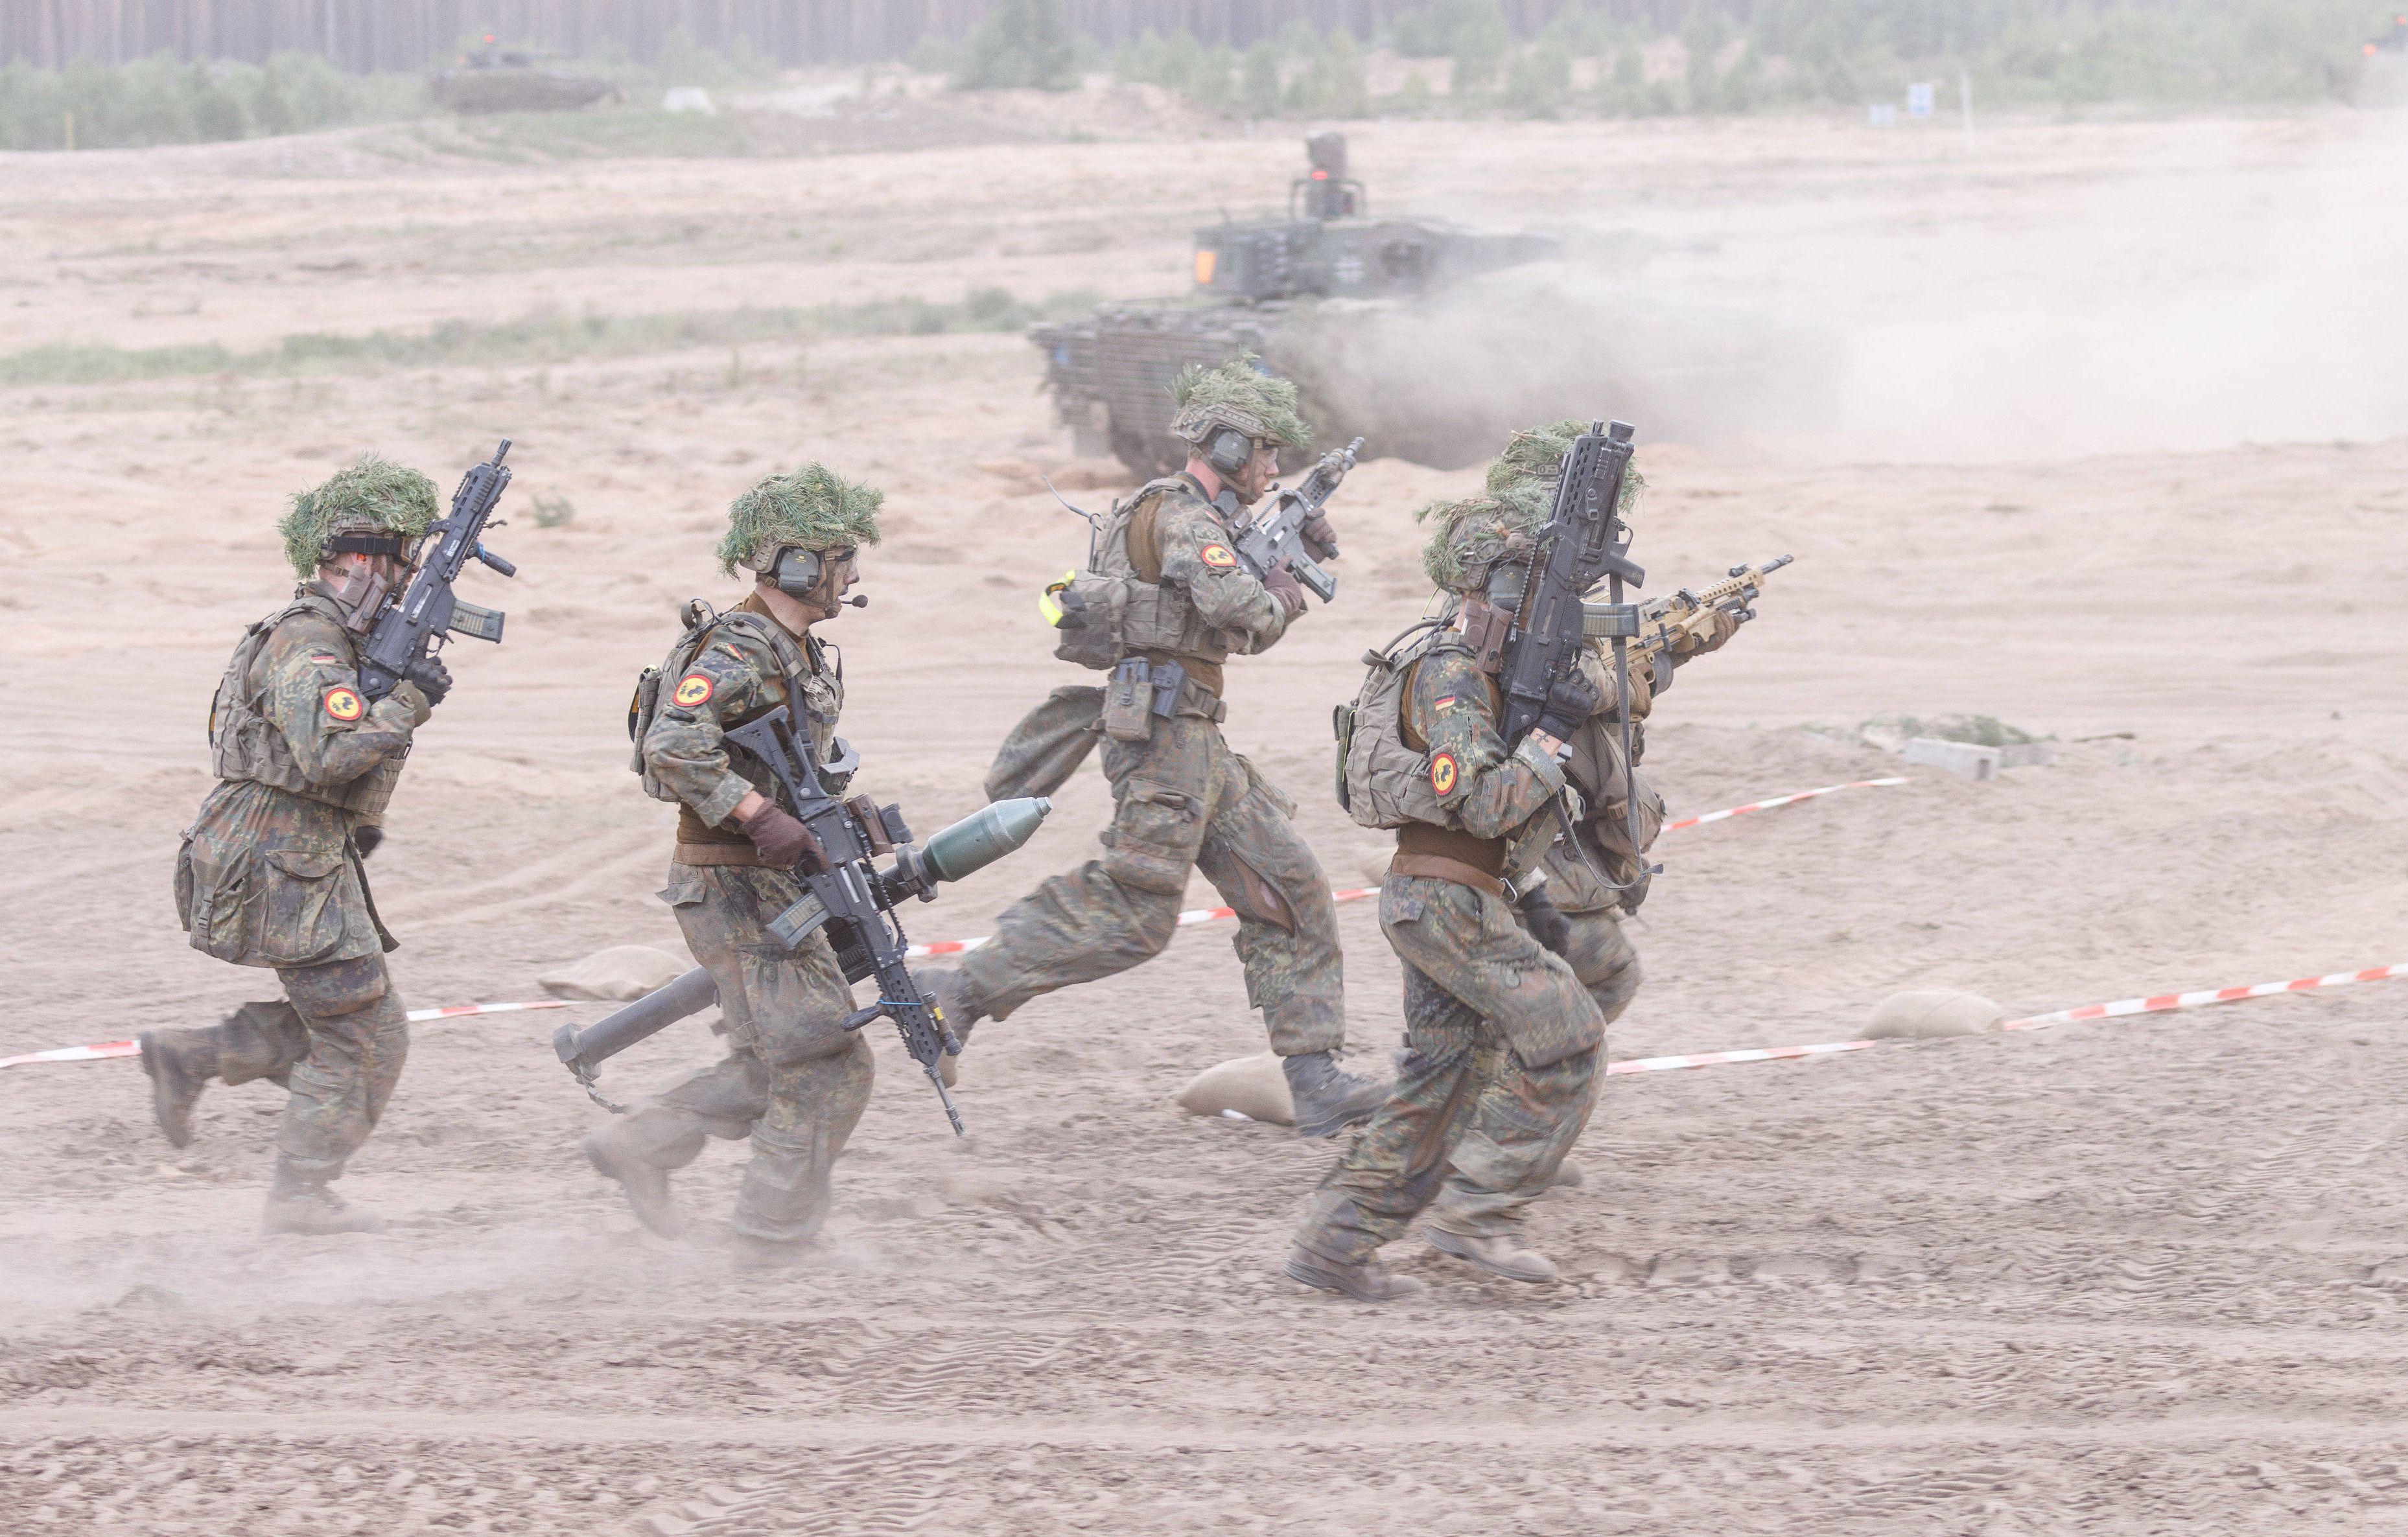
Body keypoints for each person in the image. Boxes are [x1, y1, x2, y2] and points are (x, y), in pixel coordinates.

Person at [917, 357, 1385, 1137]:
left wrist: (1283, 546)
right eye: (1264, 451)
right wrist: (1289, 589)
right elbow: (1242, 612)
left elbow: (1197, 606)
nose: (1272, 467)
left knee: (1291, 882)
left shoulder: (1161, 512)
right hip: (1166, 739)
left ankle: (1313, 1078)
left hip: (1191, 736)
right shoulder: (1184, 520)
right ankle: (959, 990)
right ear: (1228, 448)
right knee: (1136, 909)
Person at [1292, 431, 1691, 1300]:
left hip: (1456, 897)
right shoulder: (1447, 670)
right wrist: (1549, 734)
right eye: (1520, 583)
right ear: (1483, 587)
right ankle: (1481, 1212)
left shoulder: (1475, 665)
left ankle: (1333, 1245)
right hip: (1442, 900)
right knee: (1569, 1036)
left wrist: (1534, 887)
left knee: (1436, 1087)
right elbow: (1483, 804)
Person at [581, 465, 887, 1268]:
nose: (851, 573)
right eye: (839, 556)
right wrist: (758, 815)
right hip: (736, 885)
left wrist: (830, 811)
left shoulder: (791, 648)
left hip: (756, 882)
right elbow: (673, 745)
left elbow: (787, 766)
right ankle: (769, 1239)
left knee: (769, 1064)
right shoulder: (743, 645)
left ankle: (640, 1143)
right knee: (827, 1065)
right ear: (794, 565)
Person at [141, 456, 454, 1234]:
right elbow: (332, 753)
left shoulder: (320, 638)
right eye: (399, 558)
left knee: (347, 1017)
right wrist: (411, 699)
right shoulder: (309, 642)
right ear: (360, 559)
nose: (406, 573)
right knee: (367, 1035)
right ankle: (300, 1196)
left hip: (293, 850)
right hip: (280, 858)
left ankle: (196, 1054)